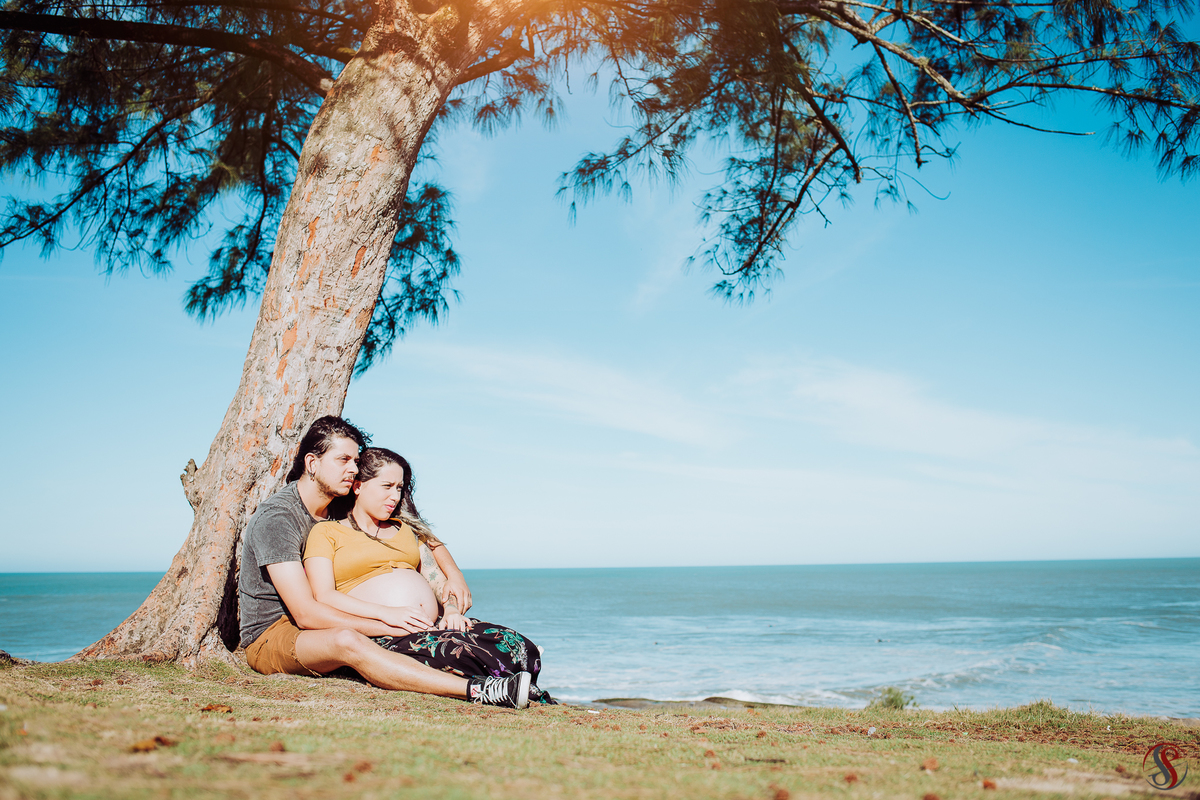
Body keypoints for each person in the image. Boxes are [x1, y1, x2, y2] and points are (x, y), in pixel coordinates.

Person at [237, 416, 532, 708]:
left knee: (482, 638)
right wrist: (385, 620)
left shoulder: (339, 504)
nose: (353, 469)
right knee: (347, 640)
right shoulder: (278, 519)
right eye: (343, 460)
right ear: (312, 464)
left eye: (355, 461)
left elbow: (419, 535)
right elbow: (305, 614)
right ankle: (478, 691)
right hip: (274, 633)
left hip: (324, 623)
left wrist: (453, 575)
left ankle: (512, 676)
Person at [303, 447, 554, 702]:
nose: (394, 496)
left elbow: (436, 576)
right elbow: (324, 595)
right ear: (358, 486)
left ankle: (513, 683)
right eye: (387, 486)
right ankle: (494, 690)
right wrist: (387, 613)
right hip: (382, 630)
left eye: (399, 488)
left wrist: (452, 610)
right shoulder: (327, 533)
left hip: (429, 625)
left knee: (511, 641)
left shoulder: (405, 531)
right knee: (459, 654)